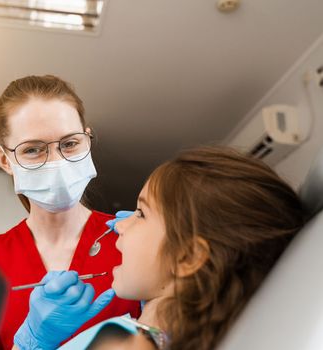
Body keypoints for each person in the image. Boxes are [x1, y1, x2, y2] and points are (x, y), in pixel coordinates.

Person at [25, 146, 305, 350]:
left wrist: (32, 343)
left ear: (189, 257)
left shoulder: (128, 345)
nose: (120, 225)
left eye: (141, 213)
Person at [0, 75, 141, 350]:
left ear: (87, 139)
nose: (56, 161)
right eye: (33, 150)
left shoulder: (131, 240)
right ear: (5, 159)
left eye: (69, 144)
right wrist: (31, 342)